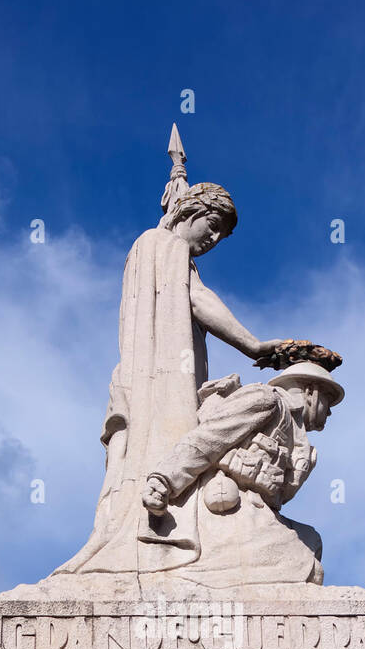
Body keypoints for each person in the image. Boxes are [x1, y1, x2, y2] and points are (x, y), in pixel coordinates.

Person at [54, 181, 286, 583]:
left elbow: (195, 294)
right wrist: (253, 346)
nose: (213, 238)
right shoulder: (162, 244)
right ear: (188, 212)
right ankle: (155, 528)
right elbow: (198, 298)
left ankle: (142, 524)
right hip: (156, 383)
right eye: (212, 225)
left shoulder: (159, 251)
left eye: (222, 235)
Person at [139, 361, 345, 587]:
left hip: (259, 511)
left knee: (312, 541)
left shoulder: (301, 442)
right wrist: (163, 480)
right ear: (311, 392)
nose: (331, 411)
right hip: (228, 511)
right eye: (329, 399)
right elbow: (208, 439)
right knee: (306, 563)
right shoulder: (266, 399)